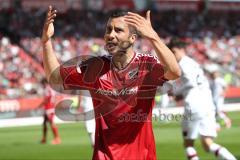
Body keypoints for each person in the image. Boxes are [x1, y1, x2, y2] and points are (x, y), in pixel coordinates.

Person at [41, 6, 181, 159]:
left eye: (118, 30)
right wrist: (46, 42)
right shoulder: (95, 67)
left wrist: (153, 36)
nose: (110, 35)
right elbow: (55, 78)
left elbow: (174, 72)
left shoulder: (146, 65)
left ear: (132, 38)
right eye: (108, 29)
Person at [167, 38, 236, 160]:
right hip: (207, 106)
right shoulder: (193, 63)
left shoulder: (184, 64)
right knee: (207, 144)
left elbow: (190, 83)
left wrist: (175, 92)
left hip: (194, 105)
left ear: (181, 49)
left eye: (173, 51)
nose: (172, 55)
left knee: (188, 144)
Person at [38, 79, 61, 145]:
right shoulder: (50, 89)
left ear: (44, 83)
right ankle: (44, 139)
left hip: (49, 108)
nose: (41, 85)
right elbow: (54, 97)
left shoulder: (47, 89)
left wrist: (40, 105)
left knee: (51, 123)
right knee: (45, 123)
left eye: (42, 84)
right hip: (48, 108)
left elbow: (48, 98)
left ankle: (57, 138)